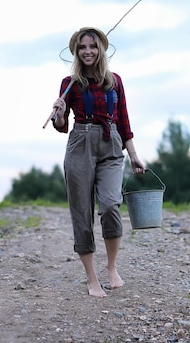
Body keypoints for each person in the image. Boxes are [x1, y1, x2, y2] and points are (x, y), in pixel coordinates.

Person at [51, 27, 146, 298]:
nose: (88, 51)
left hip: (111, 143)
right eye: (82, 47)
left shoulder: (115, 81)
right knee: (81, 212)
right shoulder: (69, 83)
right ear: (76, 52)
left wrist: (134, 154)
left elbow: (124, 121)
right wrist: (58, 112)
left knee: (110, 205)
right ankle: (92, 279)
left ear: (101, 49)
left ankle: (112, 267)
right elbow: (61, 125)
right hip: (80, 142)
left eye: (92, 46)